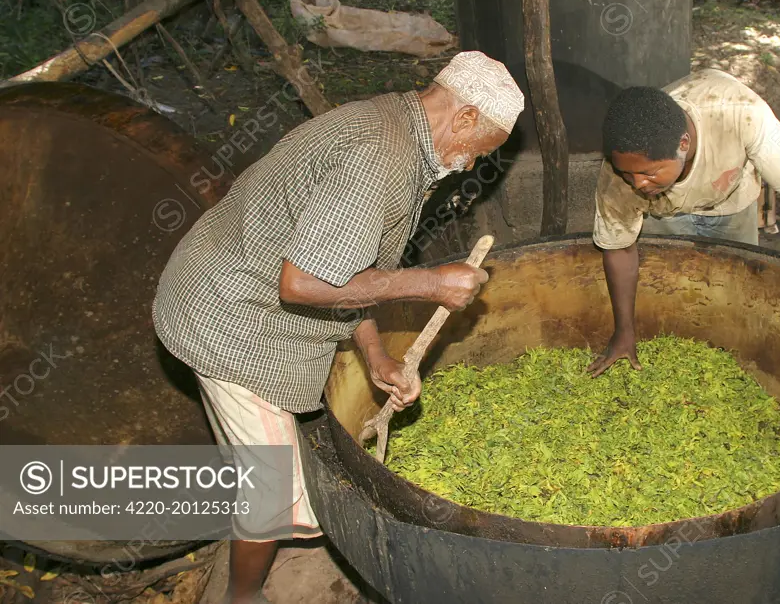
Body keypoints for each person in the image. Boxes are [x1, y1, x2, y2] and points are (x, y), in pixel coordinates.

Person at [152, 51, 524, 604]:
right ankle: (242, 596)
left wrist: (375, 358)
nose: (471, 166)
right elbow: (302, 284)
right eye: (478, 151)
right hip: (229, 322)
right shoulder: (379, 161)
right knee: (275, 497)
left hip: (218, 282)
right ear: (465, 118)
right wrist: (429, 284)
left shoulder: (394, 124)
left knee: (260, 471)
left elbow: (351, 269)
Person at [586, 68, 780, 377]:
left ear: (684, 144)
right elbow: (620, 249)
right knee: (669, 294)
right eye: (628, 174)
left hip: (732, 203)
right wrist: (624, 331)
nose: (637, 184)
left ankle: (729, 363)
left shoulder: (739, 113)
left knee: (733, 296)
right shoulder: (619, 177)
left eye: (650, 173)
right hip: (667, 214)